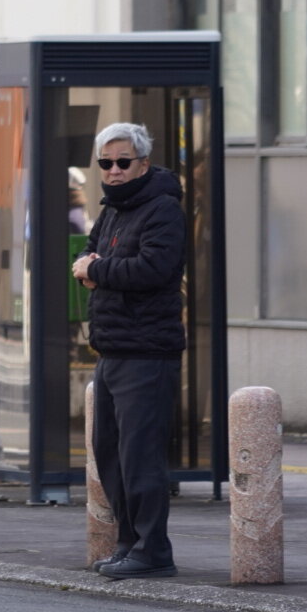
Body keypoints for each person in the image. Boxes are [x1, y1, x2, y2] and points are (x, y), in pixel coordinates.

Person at [72, 122, 185, 581]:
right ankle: (128, 542)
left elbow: (154, 268)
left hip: (148, 351)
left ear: (142, 163)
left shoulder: (162, 208)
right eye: (106, 163)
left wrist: (100, 270)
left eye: (122, 163)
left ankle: (154, 549)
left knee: (141, 456)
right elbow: (85, 258)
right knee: (111, 454)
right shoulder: (113, 210)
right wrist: (95, 267)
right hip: (112, 350)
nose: (114, 172)